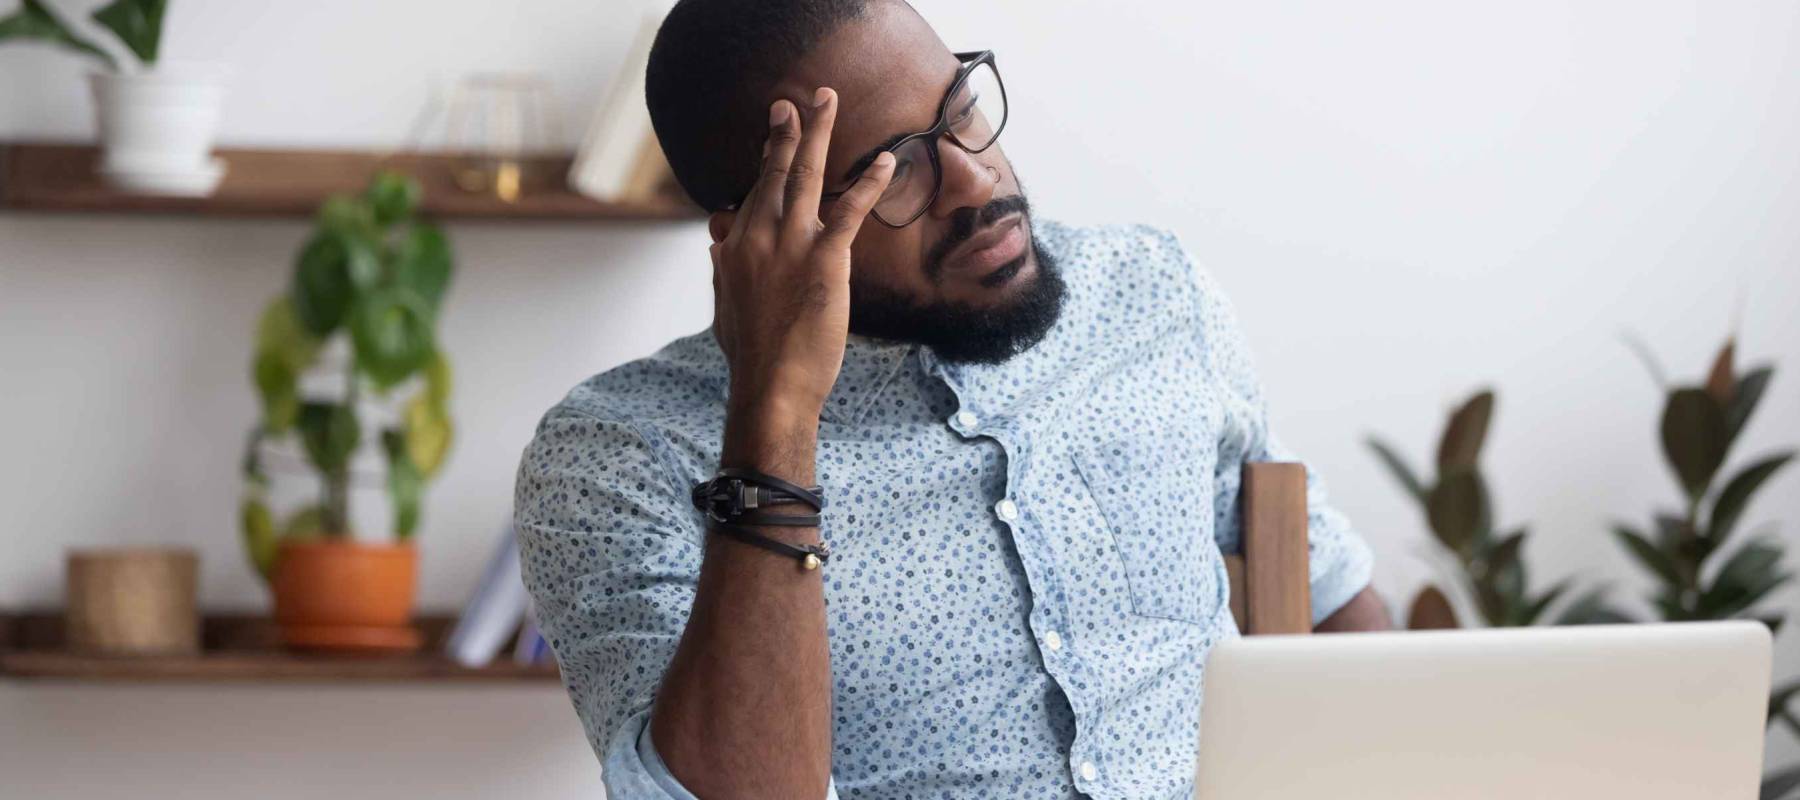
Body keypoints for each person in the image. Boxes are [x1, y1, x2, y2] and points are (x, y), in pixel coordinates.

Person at [513, 1, 1390, 797]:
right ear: (754, 236)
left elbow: (1321, 582)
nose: (974, 181)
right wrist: (775, 416)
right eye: (889, 173)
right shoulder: (619, 456)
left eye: (960, 106)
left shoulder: (1152, 293)